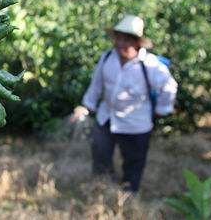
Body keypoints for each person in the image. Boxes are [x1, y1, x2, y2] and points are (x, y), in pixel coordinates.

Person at [71, 14, 178, 192]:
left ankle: (128, 198)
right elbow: (96, 85)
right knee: (100, 157)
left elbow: (169, 87)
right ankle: (102, 191)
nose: (121, 43)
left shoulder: (150, 65)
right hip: (106, 118)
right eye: (118, 38)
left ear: (137, 42)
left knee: (133, 164)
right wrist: (86, 106)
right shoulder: (107, 58)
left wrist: (161, 109)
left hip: (135, 124)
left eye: (126, 39)